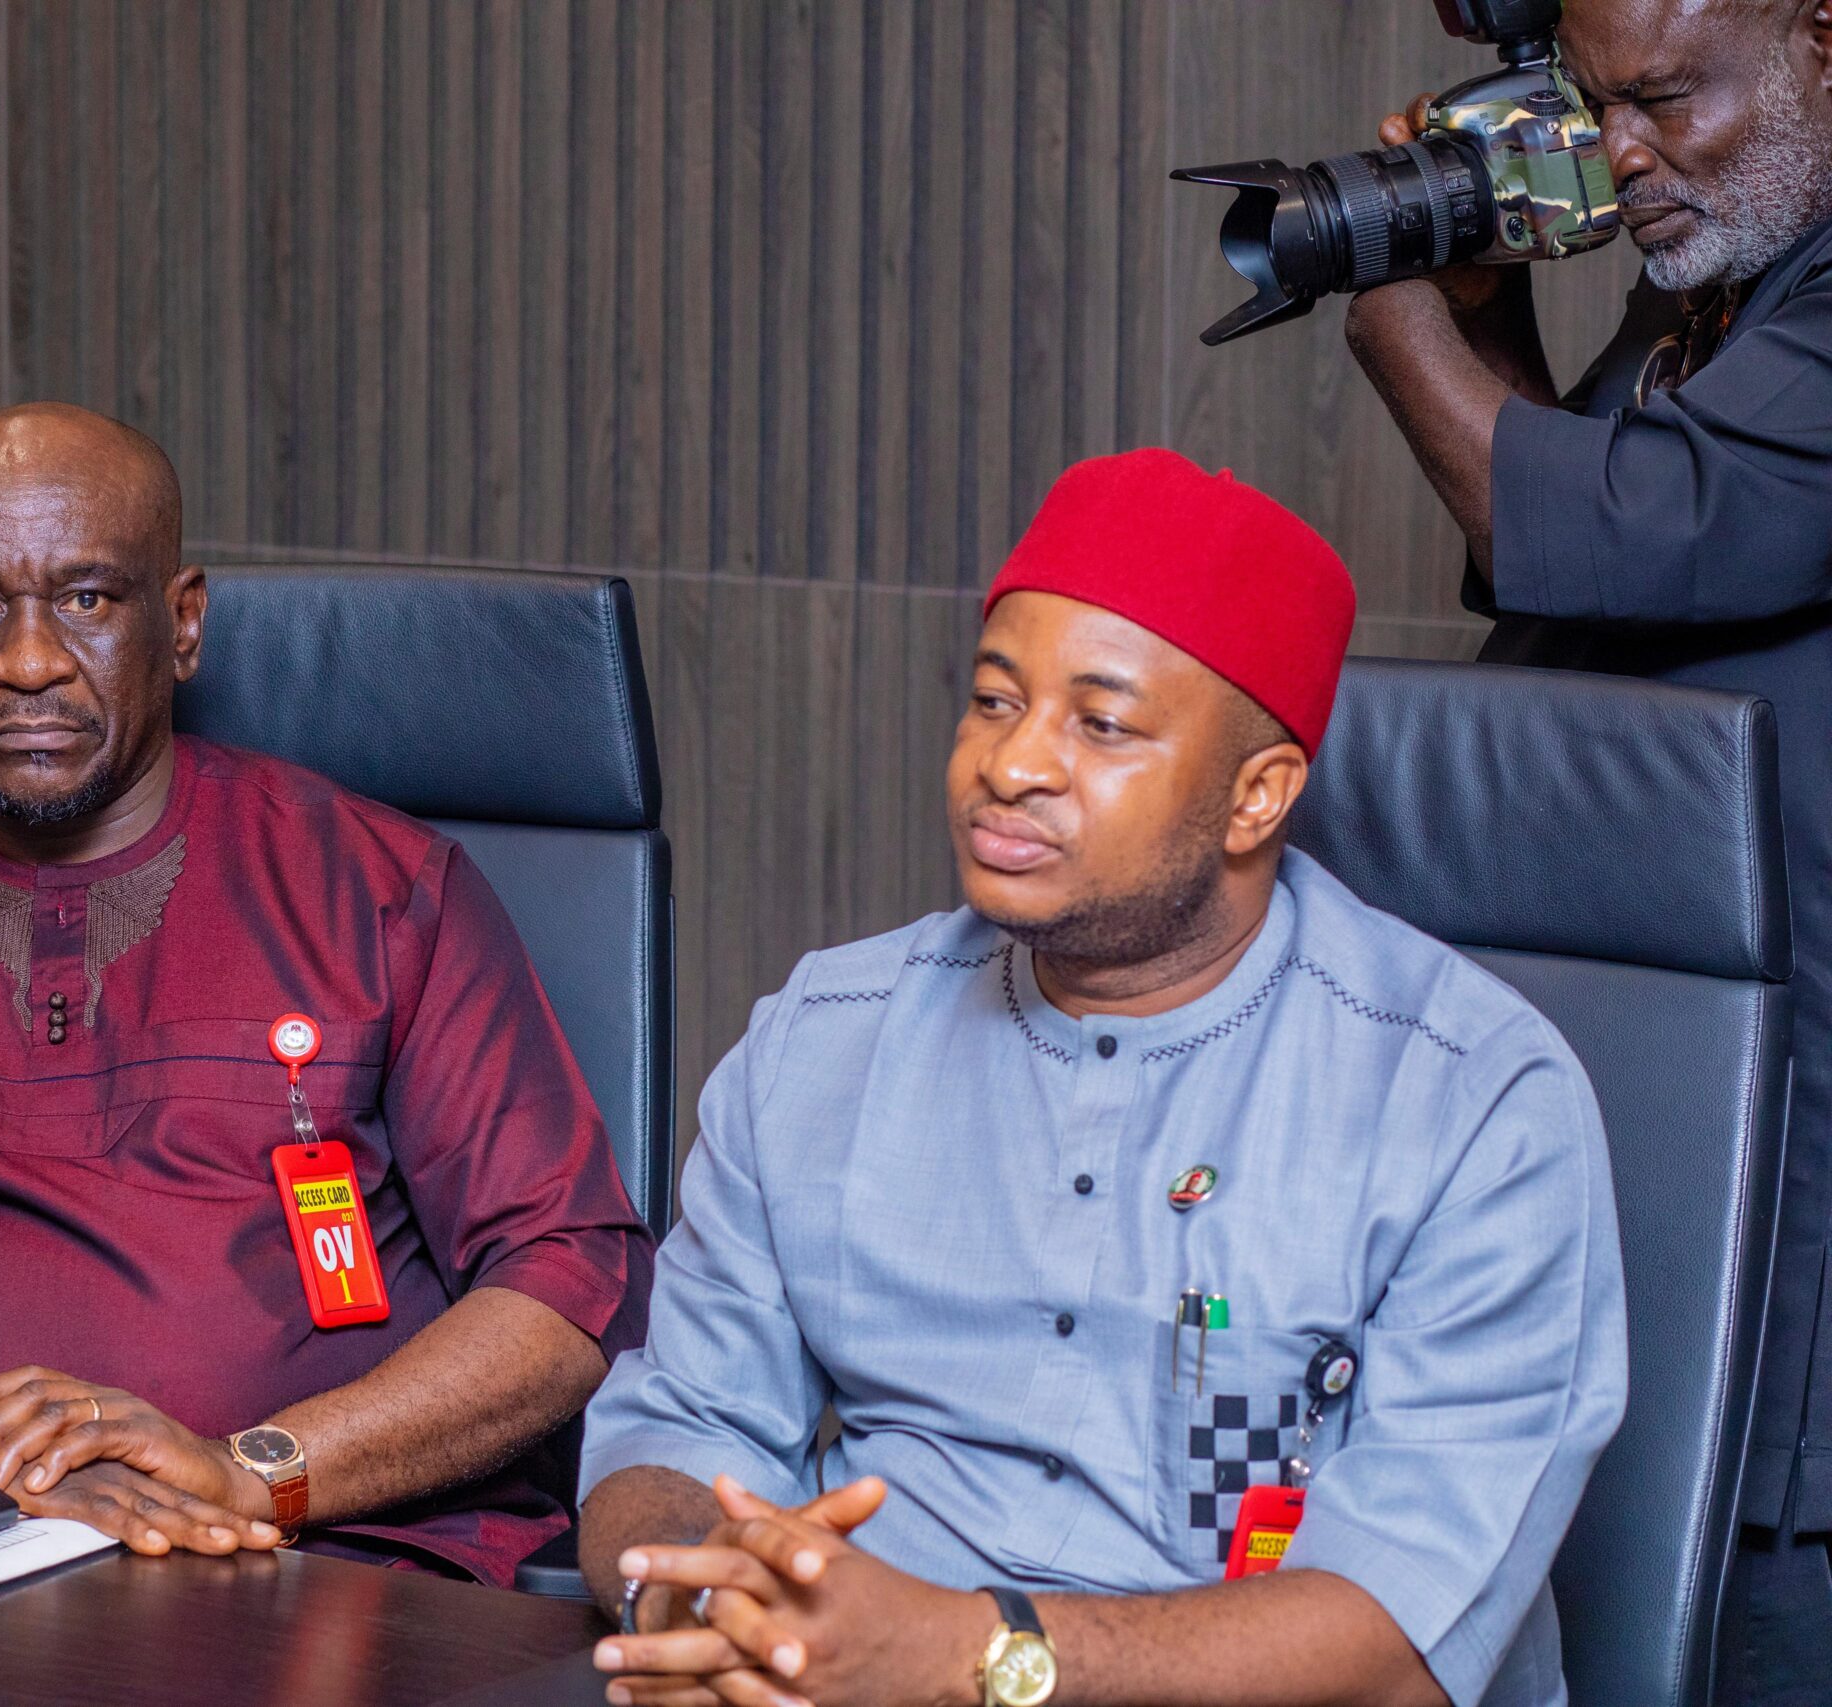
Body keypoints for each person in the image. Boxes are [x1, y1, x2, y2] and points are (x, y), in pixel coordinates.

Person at [575, 450, 1624, 1707]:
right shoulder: (824, 1037)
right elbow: (679, 1424)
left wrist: (963, 1656)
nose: (1009, 765)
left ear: (1255, 797)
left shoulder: (1471, 1100)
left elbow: (1397, 1639)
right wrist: (702, 1614)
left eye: (1101, 724)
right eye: (992, 700)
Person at [0, 402, 652, 1584]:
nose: (28, 661)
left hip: (323, 1565)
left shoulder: (384, 892)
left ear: (182, 622)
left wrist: (252, 1471)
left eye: (86, 598)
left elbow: (571, 1284)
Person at [1342, 3, 1832, 1694]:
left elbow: (1627, 522)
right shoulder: (1724, 271)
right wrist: (1485, 316)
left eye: (1668, 101)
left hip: (1803, 1255)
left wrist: (1392, 301)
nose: (1622, 154)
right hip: (1649, 1139)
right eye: (1597, 104)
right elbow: (1603, 586)